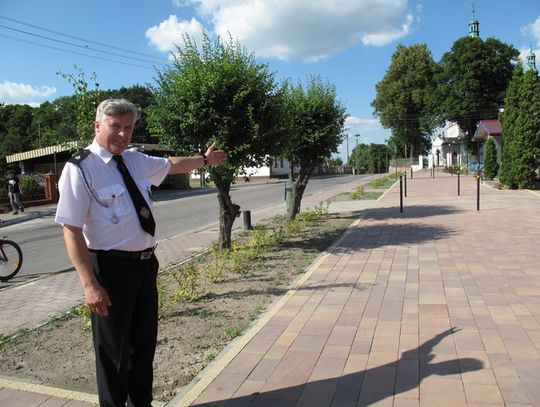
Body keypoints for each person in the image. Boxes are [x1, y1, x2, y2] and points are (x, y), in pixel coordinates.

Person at [55, 98, 227, 407]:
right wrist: (89, 284)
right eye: (115, 127)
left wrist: (204, 160)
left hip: (146, 266)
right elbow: (71, 229)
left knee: (143, 346)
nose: (122, 134)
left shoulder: (135, 160)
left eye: (128, 128)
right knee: (113, 354)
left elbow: (171, 165)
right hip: (109, 270)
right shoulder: (80, 169)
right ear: (97, 126)